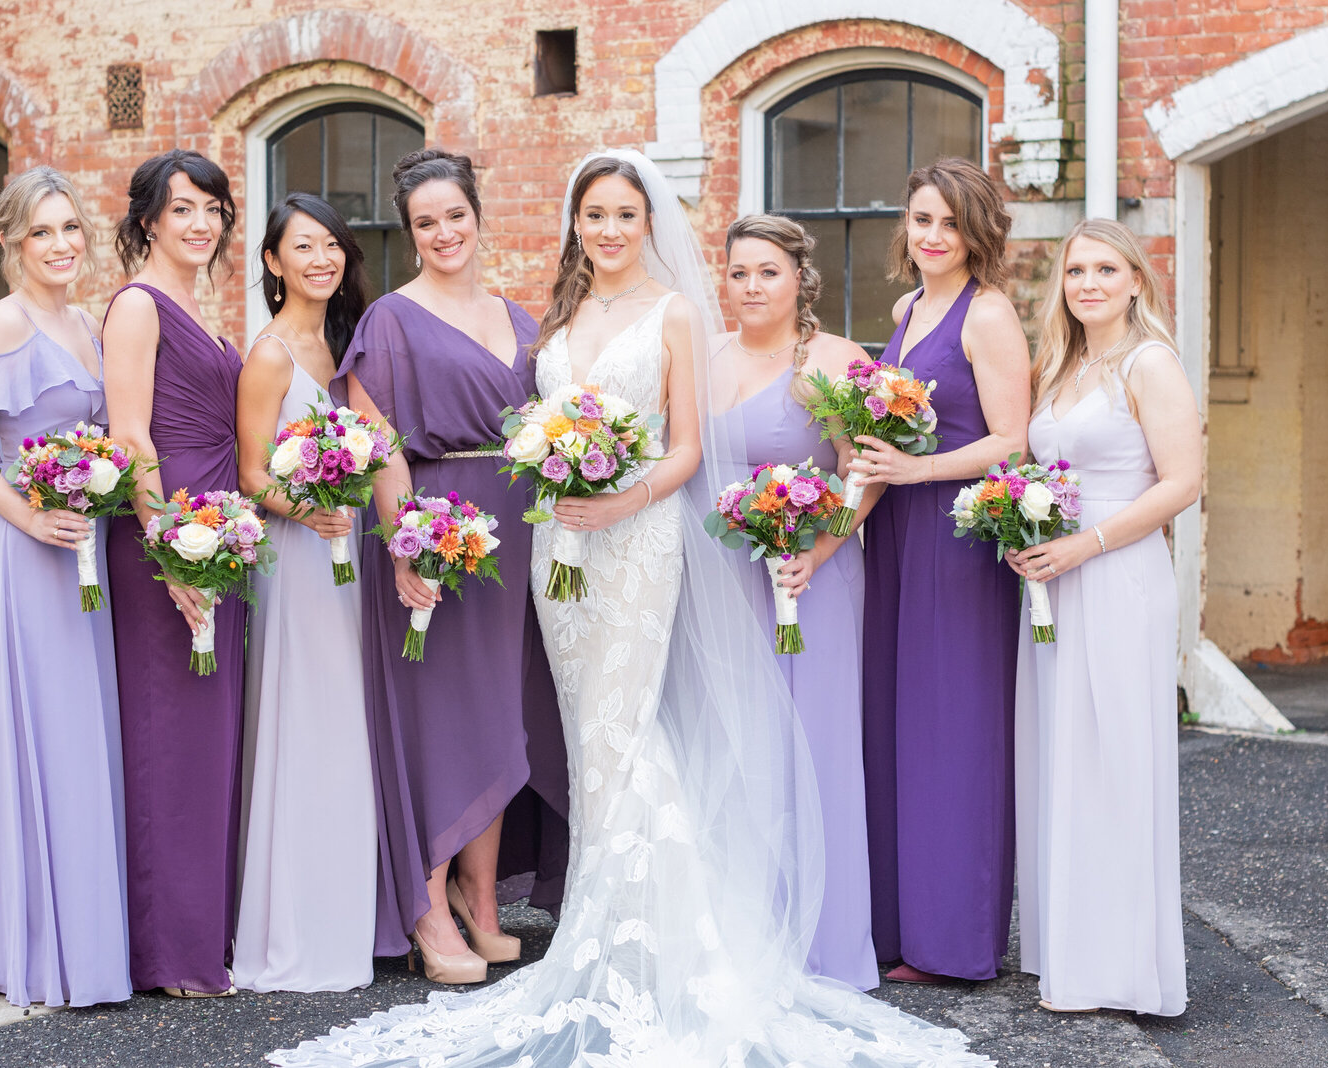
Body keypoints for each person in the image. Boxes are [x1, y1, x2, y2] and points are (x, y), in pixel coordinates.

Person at [266, 149, 991, 1068]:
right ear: (575, 223)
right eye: (593, 215)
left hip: (638, 541)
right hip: (559, 548)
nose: (608, 230)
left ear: (650, 223)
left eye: (624, 214)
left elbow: (687, 450)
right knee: (589, 738)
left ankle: (653, 947)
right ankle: (601, 936)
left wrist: (618, 501)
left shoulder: (676, 312)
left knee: (628, 731)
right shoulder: (558, 316)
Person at [329, 147, 567, 984]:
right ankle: (427, 909)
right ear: (410, 233)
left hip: (521, 533)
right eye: (425, 224)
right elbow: (378, 437)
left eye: (455, 217)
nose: (443, 233)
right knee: (439, 718)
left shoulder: (524, 318)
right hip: (441, 527)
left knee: (502, 711)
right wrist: (406, 542)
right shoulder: (390, 319)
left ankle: (483, 896)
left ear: (477, 215)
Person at [0, 165, 129, 1008]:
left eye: (71, 230)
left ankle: (92, 938)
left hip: (86, 552)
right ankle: (42, 950)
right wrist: (29, 515)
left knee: (85, 737)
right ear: (14, 243)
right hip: (27, 556)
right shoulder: (3, 323)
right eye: (42, 232)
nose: (61, 245)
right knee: (44, 736)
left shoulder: (86, 323)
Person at [1009, 217, 1196, 1016]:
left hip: (1118, 576)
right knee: (1063, 758)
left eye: (1105, 270)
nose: (1088, 283)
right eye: (1076, 270)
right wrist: (1019, 527)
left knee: (1117, 760)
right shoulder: (1062, 365)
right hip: (1054, 579)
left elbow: (1182, 482)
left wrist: (1085, 545)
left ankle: (1123, 968)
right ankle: (1069, 951)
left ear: (1134, 283)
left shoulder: (1150, 364)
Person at [851, 156, 1031, 985]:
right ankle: (898, 927)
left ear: (978, 232)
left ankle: (954, 942)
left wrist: (916, 473)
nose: (932, 237)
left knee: (951, 732)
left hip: (955, 539)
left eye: (950, 224)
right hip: (892, 535)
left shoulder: (987, 314)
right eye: (922, 219)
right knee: (894, 725)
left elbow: (1012, 441)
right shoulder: (906, 307)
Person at [713, 213, 880, 990]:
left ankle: (824, 944)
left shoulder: (832, 360)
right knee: (740, 751)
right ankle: (746, 929)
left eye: (768, 272)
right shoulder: (708, 360)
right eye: (740, 272)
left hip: (811, 579)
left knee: (813, 753)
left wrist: (819, 550)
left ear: (799, 279)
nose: (753, 286)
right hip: (729, 581)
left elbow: (864, 470)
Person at [103, 149, 245, 998]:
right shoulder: (136, 306)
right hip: (168, 541)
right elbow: (130, 439)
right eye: (182, 208)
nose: (200, 223)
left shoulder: (201, 304)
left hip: (219, 534)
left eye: (213, 209)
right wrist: (167, 550)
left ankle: (204, 931)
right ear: (149, 219)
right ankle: (165, 950)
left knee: (209, 737)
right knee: (168, 736)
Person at [232, 193, 377, 993]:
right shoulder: (272, 356)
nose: (322, 259)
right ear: (273, 262)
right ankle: (294, 928)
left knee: (350, 718)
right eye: (303, 247)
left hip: (349, 548)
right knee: (307, 718)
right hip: (300, 553)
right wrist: (311, 509)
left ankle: (348, 914)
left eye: (332, 246)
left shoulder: (343, 341)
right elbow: (253, 475)